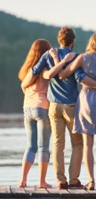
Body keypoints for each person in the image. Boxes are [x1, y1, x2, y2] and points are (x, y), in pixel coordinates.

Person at [28, 28, 96, 189]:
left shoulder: (49, 55)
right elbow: (80, 77)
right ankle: (73, 180)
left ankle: (60, 180)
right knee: (78, 143)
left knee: (58, 143)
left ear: (59, 40)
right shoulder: (76, 57)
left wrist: (26, 86)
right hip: (72, 105)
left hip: (54, 105)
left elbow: (35, 71)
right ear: (73, 42)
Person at [58, 32, 96, 191]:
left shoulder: (83, 58)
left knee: (88, 144)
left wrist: (61, 63)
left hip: (86, 102)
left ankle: (91, 181)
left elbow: (64, 74)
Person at [18, 39, 74, 188]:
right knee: (43, 146)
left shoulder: (28, 69)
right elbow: (53, 74)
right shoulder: (44, 68)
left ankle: (22, 180)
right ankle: (42, 182)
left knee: (30, 146)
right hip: (42, 108)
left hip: (27, 109)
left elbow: (23, 85)